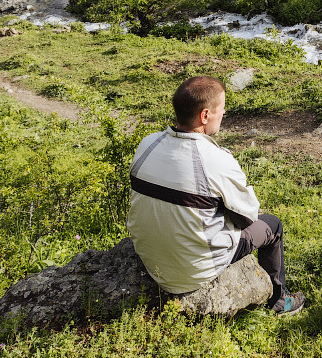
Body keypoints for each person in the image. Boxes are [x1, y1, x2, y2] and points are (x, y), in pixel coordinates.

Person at [126, 75, 305, 315]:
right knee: (272, 225)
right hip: (194, 271)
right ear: (205, 115)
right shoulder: (216, 159)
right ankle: (280, 301)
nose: (224, 114)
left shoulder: (147, 144)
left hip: (150, 259)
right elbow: (248, 216)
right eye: (222, 109)